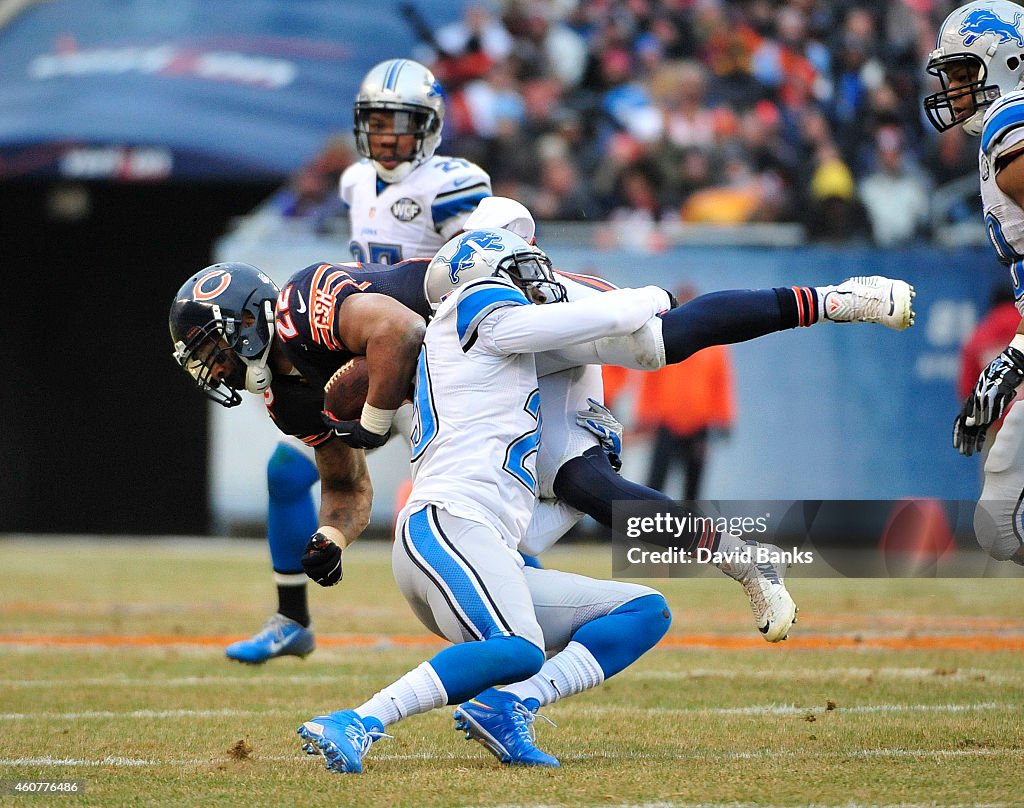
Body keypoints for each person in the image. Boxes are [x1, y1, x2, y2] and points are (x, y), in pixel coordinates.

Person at [295, 229, 676, 773]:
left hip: (478, 540)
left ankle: (509, 705)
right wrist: (652, 297)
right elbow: (593, 321)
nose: (537, 278)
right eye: (521, 266)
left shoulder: (508, 383)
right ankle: (358, 720)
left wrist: (585, 476)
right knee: (520, 646)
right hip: (445, 525)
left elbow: (531, 535)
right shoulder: (473, 310)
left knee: (643, 611)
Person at [226, 57, 493, 665]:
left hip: (433, 363)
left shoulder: (453, 182)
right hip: (365, 359)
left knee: (471, 505)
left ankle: (514, 617)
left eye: (399, 123)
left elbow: (490, 257)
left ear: (429, 126)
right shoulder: (354, 182)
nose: (385, 135)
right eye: (374, 122)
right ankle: (291, 618)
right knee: (287, 469)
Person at [924, 0, 1024, 565]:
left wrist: (1011, 363)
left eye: (965, 74)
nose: (955, 90)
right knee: (998, 528)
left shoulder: (1010, 121)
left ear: (1008, 61)